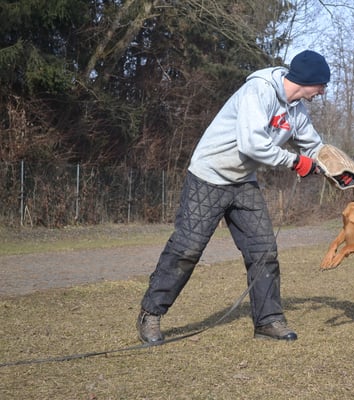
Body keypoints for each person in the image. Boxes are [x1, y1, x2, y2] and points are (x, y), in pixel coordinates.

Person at [137, 50, 331, 343]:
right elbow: (253, 144)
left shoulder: (297, 111)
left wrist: (338, 167)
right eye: (321, 85)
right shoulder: (259, 91)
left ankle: (268, 322)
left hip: (243, 181)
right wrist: (294, 161)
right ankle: (150, 314)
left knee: (264, 251)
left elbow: (314, 147)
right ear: (308, 80)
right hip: (209, 176)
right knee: (187, 248)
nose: (323, 91)